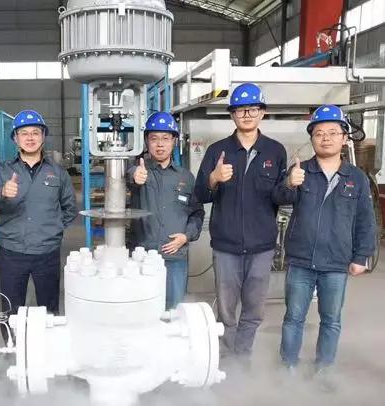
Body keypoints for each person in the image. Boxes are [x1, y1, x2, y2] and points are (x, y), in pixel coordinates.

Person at [274, 105, 376, 380]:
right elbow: (278, 200)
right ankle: (288, 365)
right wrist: (289, 183)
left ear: (344, 138)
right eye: (319, 133)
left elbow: (366, 220)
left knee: (331, 320)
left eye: (332, 132)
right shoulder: (300, 171)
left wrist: (361, 256)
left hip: (336, 262)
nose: (326, 138)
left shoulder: (356, 178)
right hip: (301, 260)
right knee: (293, 317)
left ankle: (324, 368)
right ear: (312, 139)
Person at [194, 83, 287, 363]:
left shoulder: (275, 151)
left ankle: (242, 355)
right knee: (226, 308)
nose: (246, 114)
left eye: (252, 109)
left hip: (262, 246)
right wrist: (213, 178)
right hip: (226, 246)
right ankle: (226, 354)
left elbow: (280, 196)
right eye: (240, 110)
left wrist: (291, 185)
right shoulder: (217, 151)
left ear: (262, 112)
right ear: (232, 114)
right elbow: (200, 195)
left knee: (254, 309)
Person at [0, 110, 78, 335]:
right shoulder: (2, 171)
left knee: (49, 307)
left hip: (47, 253)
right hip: (12, 251)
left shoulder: (57, 173)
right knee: (11, 307)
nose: (30, 137)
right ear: (15, 139)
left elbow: (70, 208)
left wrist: (52, 230)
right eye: (24, 133)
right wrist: (2, 192)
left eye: (35, 132)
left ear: (43, 136)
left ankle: (48, 344)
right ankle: (12, 345)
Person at [127, 112, 204, 309]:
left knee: (174, 311)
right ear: (146, 142)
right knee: (142, 309)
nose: (160, 144)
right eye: (154, 139)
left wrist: (186, 236)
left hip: (174, 256)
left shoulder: (186, 177)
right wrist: (134, 175)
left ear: (174, 141)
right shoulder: (139, 170)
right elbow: (126, 178)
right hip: (142, 256)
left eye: (166, 138)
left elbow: (197, 213)